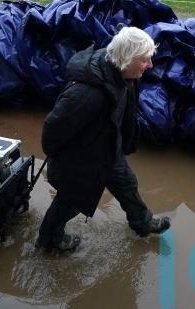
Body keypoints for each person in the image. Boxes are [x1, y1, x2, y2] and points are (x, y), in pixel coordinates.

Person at [37, 26, 171, 251]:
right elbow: (52, 129)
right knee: (70, 203)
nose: (150, 65)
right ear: (126, 58)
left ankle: (142, 222)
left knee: (127, 184)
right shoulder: (86, 94)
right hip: (81, 162)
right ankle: (49, 241)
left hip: (108, 149)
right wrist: (63, 159)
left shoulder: (125, 74)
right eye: (144, 59)